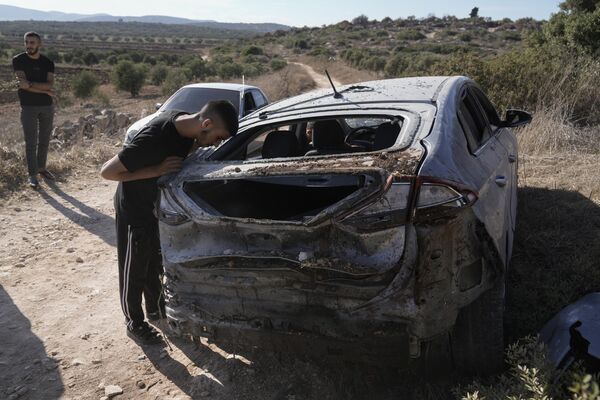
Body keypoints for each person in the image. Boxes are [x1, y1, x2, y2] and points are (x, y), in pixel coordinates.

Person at [100, 100, 238, 345]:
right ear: (206, 124)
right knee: (133, 271)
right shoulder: (154, 138)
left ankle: (155, 310)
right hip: (134, 210)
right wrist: (156, 170)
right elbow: (107, 172)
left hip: (154, 208)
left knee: (153, 262)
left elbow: (187, 150)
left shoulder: (187, 127)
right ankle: (134, 324)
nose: (216, 143)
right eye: (218, 137)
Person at [12, 31, 55, 189]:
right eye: (27, 42)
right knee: (31, 142)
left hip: (47, 106)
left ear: (39, 44)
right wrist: (43, 90)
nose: (29, 45)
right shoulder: (18, 60)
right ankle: (32, 175)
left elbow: (49, 85)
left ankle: (42, 169)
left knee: (44, 140)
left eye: (32, 42)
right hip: (28, 106)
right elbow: (23, 86)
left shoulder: (48, 62)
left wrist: (31, 85)